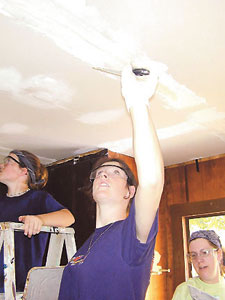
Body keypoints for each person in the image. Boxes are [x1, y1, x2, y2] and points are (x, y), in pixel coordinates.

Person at [58, 59, 165, 300]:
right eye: (100, 172)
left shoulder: (132, 236)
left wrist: (137, 103)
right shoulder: (86, 245)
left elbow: (152, 182)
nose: (104, 173)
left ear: (130, 192)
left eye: (116, 172)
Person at [0, 149, 75, 292]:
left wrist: (40, 219)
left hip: (24, 285)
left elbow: (68, 217)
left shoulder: (39, 198)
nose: (2, 165)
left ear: (24, 171)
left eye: (8, 161)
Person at [172, 230, 225, 300]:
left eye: (205, 252)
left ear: (218, 254)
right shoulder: (184, 290)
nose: (199, 260)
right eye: (193, 255)